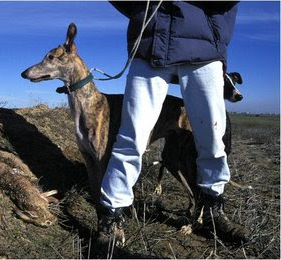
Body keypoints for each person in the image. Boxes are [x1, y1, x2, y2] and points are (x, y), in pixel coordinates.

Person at [98, 1, 248, 246]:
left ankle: (213, 209)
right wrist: (140, 10)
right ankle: (110, 216)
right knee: (131, 136)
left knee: (212, 136)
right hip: (151, 42)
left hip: (203, 44)